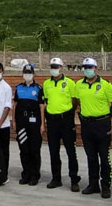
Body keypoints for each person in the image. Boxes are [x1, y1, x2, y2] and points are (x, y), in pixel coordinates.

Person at [74, 57, 112, 199]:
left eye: (90, 67)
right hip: (87, 124)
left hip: (102, 124)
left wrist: (105, 117)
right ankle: (93, 184)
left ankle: (105, 185)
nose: (87, 70)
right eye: (85, 67)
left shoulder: (105, 84)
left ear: (96, 69)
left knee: (104, 156)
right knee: (91, 156)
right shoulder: (79, 84)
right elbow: (76, 100)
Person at [43, 57, 82, 191]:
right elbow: (46, 100)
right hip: (52, 120)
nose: (54, 69)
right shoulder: (46, 83)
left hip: (65, 119)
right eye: (52, 67)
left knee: (71, 151)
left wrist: (68, 112)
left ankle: (74, 179)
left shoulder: (70, 83)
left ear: (61, 68)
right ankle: (56, 178)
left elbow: (75, 101)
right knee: (53, 151)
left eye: (56, 67)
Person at [14, 64, 45, 185]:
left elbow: (41, 107)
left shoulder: (38, 88)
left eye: (29, 72)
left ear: (33, 74)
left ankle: (34, 175)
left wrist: (42, 124)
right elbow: (15, 105)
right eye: (25, 72)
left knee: (34, 149)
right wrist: (14, 122)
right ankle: (26, 173)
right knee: (24, 149)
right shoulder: (19, 88)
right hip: (22, 122)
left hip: (34, 122)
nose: (27, 74)